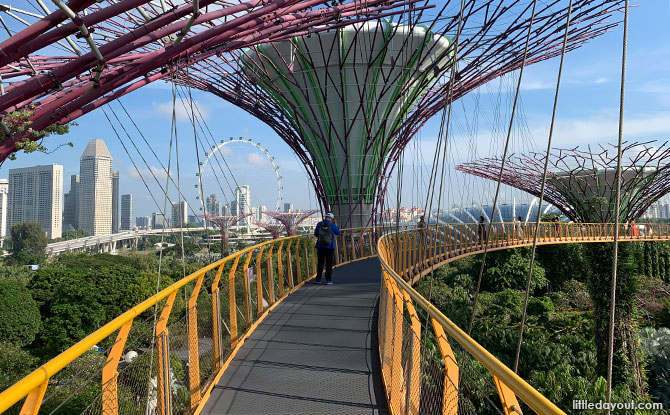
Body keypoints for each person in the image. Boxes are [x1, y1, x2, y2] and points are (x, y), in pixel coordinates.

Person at [313, 212, 340, 285]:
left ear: (325, 217)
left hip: (320, 246)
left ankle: (318, 280)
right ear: (331, 219)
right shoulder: (332, 225)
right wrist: (336, 225)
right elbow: (338, 232)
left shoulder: (319, 224)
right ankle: (328, 280)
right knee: (329, 264)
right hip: (330, 247)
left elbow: (315, 234)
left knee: (320, 264)